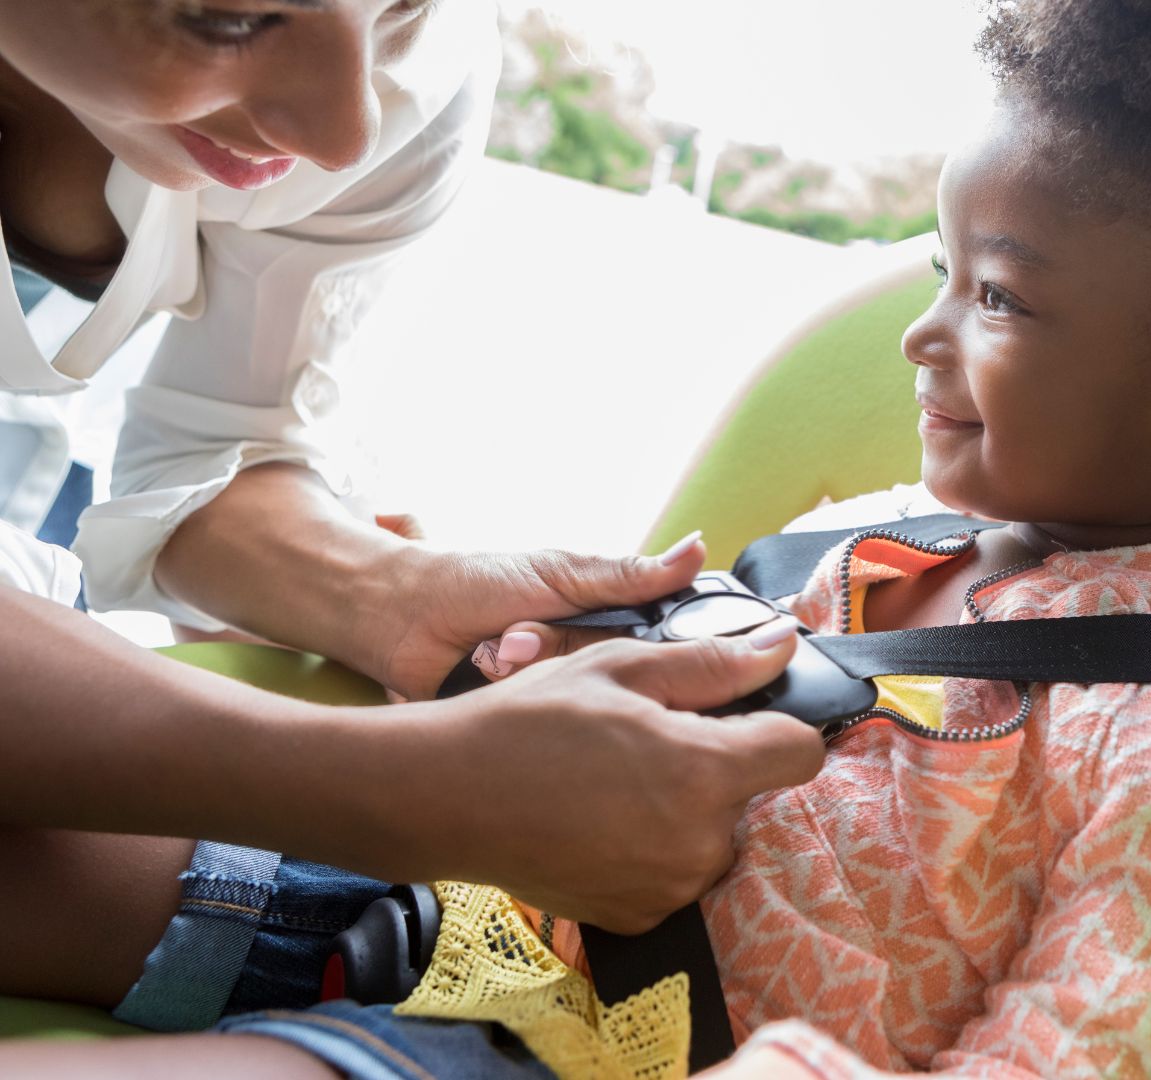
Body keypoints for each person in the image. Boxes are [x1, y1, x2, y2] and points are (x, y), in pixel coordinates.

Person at [0, 0, 1151, 1075]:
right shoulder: (868, 543)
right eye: (938, 275)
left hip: (568, 1058)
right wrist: (545, 671)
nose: (922, 338)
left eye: (999, 297)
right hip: (444, 906)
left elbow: (1072, 1051)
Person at [0, 0, 825, 1058]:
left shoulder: (396, 87)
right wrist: (401, 791)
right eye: (229, 18)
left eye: (403, 9)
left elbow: (217, 449)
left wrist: (391, 593)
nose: (346, 129)